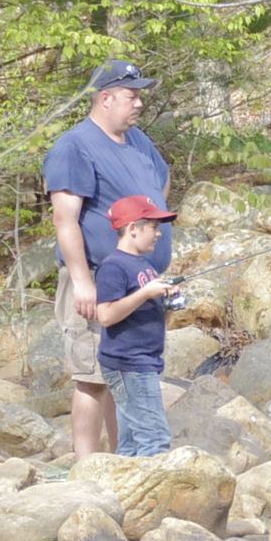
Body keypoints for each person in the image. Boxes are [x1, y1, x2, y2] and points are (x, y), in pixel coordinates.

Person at [43, 59, 173, 458]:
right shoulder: (74, 146)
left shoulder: (138, 141)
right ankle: (86, 467)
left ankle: (124, 460)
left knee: (126, 374)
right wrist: (82, 280)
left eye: (139, 96)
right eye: (131, 96)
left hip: (139, 279)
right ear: (105, 98)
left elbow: (162, 180)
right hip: (98, 278)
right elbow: (64, 219)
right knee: (93, 378)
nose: (139, 104)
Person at [95, 195, 181, 456]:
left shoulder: (144, 265)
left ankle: (121, 492)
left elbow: (144, 311)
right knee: (155, 439)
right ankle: (154, 495)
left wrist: (168, 301)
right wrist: (145, 294)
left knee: (131, 443)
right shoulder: (113, 267)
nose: (158, 235)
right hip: (129, 364)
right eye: (153, 227)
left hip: (142, 361)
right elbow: (106, 315)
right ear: (133, 228)